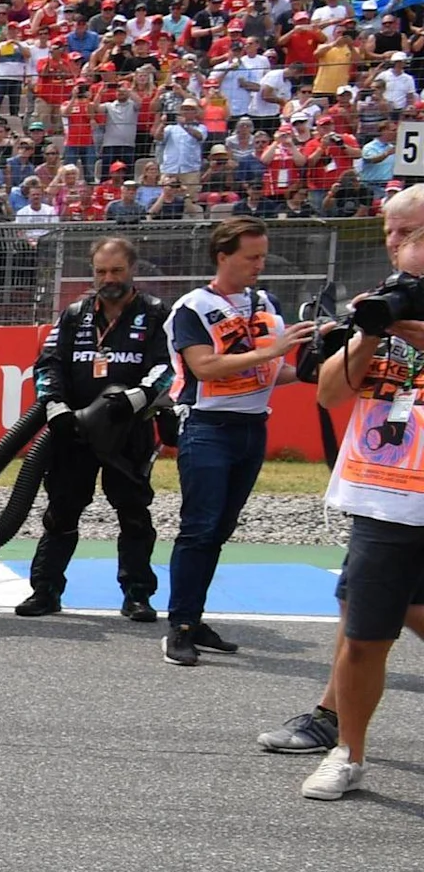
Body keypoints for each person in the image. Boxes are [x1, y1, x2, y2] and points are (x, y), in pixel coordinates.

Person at [266, 184, 424, 797]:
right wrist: (369, 333)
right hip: (385, 497)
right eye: (390, 232)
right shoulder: (380, 305)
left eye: (408, 232)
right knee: (363, 636)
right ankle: (347, 752)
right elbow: (331, 394)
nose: (395, 243)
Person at [160, 218, 316, 666]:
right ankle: (179, 627)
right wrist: (272, 351)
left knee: (220, 530)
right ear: (223, 256)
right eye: (251, 257)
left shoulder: (266, 302)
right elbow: (204, 367)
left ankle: (194, 617)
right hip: (207, 427)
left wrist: (316, 366)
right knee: (199, 528)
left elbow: (273, 371)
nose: (259, 265)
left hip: (252, 427)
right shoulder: (193, 307)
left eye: (262, 256)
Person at [19, 235, 169, 620]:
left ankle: (137, 594)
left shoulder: (155, 313)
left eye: (116, 270)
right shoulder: (74, 313)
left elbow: (168, 367)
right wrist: (55, 405)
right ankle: (45, 591)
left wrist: (138, 397)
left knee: (133, 512)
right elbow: (48, 363)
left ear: (132, 270)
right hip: (76, 429)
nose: (108, 278)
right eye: (101, 271)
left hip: (129, 430)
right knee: (61, 510)